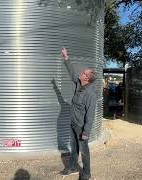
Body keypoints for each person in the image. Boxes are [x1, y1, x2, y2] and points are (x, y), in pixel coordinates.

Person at [60, 48, 96, 180]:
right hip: (73, 123)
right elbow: (72, 73)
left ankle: (86, 173)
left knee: (84, 151)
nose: (81, 73)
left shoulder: (90, 94)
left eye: (84, 73)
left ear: (87, 79)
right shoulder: (79, 85)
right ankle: (73, 166)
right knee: (74, 146)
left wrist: (86, 133)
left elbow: (90, 115)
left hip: (81, 128)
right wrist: (66, 57)